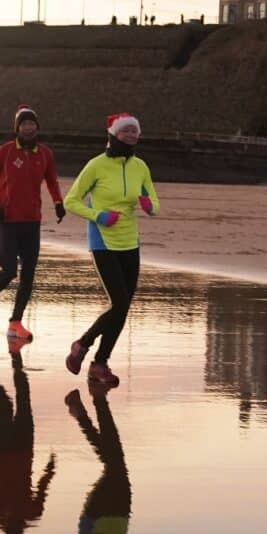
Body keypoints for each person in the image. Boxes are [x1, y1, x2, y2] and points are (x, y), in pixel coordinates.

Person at [62, 113, 159, 385]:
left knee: (123, 306)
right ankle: (83, 344)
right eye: (125, 131)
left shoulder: (141, 166)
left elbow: (154, 200)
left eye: (134, 131)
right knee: (119, 302)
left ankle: (99, 363)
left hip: (131, 242)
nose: (131, 135)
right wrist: (98, 215)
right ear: (114, 134)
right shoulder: (96, 165)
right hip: (103, 241)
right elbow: (71, 201)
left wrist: (149, 206)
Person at [0, 104, 65, 341]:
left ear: (37, 127)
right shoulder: (5, 151)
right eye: (24, 124)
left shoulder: (44, 153)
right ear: (17, 127)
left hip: (32, 220)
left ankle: (15, 322)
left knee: (29, 273)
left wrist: (58, 202)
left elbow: (52, 181)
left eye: (32, 124)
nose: (28, 128)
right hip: (9, 220)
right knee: (8, 269)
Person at [52, 386, 146, 534]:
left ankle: (97, 400)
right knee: (114, 462)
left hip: (94, 522)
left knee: (115, 463)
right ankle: (86, 408)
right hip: (121, 520)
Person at [0, 340, 56, 534]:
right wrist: (50, 469)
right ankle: (16, 359)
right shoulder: (32, 514)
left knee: (5, 405)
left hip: (1, 452)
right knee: (22, 400)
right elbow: (42, 488)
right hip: (23, 449)